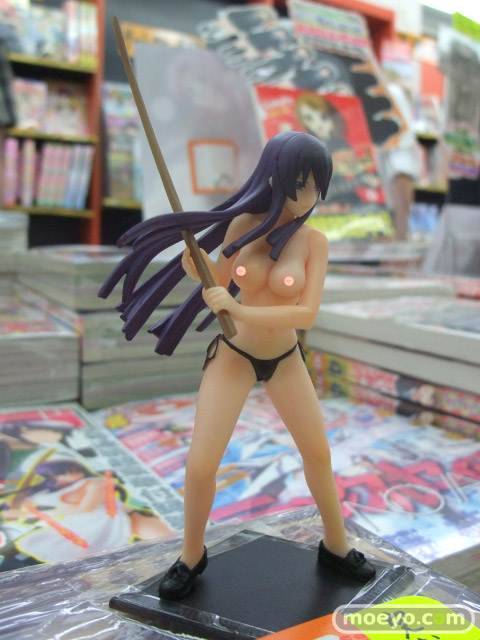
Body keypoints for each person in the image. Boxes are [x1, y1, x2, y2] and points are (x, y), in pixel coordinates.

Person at [99, 131, 376, 599]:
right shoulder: (243, 225)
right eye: (300, 184)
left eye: (316, 186)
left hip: (285, 359)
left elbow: (306, 314)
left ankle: (335, 544)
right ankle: (191, 555)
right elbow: (219, 277)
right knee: (201, 464)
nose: (307, 196)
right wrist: (195, 265)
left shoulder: (314, 242)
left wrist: (239, 309)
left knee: (318, 454)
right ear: (274, 177)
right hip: (235, 356)